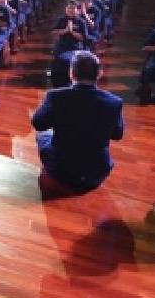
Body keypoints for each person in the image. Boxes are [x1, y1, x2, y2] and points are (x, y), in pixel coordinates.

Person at [31, 50, 124, 192]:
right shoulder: (114, 102)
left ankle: (50, 172)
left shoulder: (56, 97)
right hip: (96, 173)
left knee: (43, 136)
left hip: (62, 172)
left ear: (71, 73)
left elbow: (38, 123)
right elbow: (117, 134)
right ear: (99, 74)